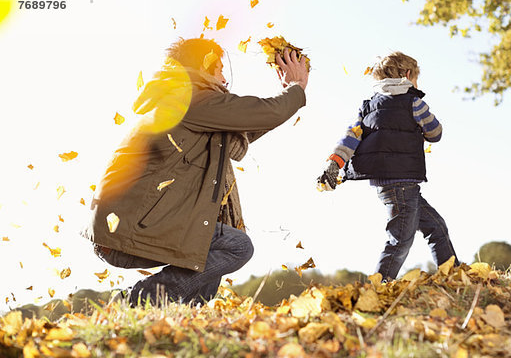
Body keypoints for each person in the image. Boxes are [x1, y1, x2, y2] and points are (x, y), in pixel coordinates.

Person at [83, 37, 309, 305]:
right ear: (205, 66)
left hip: (126, 226)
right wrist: (296, 88)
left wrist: (288, 95)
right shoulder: (189, 97)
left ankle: (181, 317)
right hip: (127, 229)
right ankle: (136, 300)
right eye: (220, 69)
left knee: (206, 250)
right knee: (236, 246)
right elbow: (263, 112)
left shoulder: (185, 98)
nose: (225, 79)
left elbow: (249, 124)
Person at [317, 51, 458, 281]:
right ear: (409, 75)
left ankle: (453, 274)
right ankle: (379, 286)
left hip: (389, 185)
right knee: (400, 239)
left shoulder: (368, 107)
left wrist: (334, 164)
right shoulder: (414, 102)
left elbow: (350, 138)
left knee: (436, 226)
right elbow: (435, 133)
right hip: (403, 180)